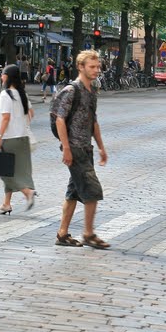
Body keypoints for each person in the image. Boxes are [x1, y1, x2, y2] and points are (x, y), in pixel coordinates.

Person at [53, 50, 110, 249]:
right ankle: (88, 233)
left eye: (98, 66)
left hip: (86, 148)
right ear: (81, 67)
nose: (96, 70)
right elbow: (60, 120)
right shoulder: (72, 90)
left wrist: (101, 147)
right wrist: (66, 148)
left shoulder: (92, 90)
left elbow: (93, 121)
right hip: (75, 148)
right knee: (93, 191)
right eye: (92, 67)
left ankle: (62, 234)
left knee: (74, 192)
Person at [0, 65, 36, 214]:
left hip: (9, 139)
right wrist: (22, 123)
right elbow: (31, 113)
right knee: (11, 169)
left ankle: (27, 192)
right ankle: (6, 204)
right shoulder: (22, 94)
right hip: (22, 138)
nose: (1, 77)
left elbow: (5, 118)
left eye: (3, 74)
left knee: (5, 171)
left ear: (8, 76)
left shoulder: (5, 95)